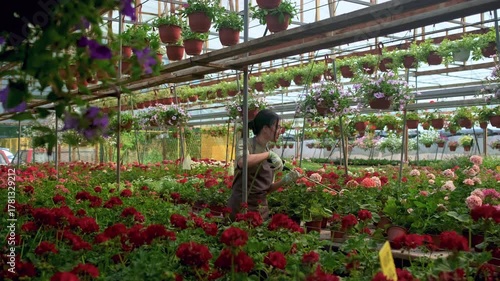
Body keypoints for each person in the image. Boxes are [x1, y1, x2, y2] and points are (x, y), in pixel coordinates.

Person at [227, 109, 301, 220]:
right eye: (278, 127)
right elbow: (242, 161)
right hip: (241, 206)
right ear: (265, 128)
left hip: (260, 209)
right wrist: (268, 154)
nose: (280, 131)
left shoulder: (268, 152)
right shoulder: (246, 143)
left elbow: (267, 188)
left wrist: (285, 180)